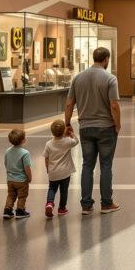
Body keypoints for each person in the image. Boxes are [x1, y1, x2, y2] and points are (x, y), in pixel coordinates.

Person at [64, 46, 121, 215]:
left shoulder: (77, 78)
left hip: (85, 128)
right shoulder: (110, 78)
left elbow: (69, 104)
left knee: (87, 165)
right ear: (106, 59)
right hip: (106, 128)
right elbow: (114, 105)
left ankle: (86, 205)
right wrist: (117, 125)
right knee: (106, 166)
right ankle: (106, 203)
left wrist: (67, 123)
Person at [43, 118, 79, 218]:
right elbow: (76, 141)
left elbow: (46, 158)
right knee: (64, 191)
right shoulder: (68, 141)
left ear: (52, 132)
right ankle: (62, 208)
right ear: (64, 131)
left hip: (53, 172)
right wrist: (71, 133)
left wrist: (47, 168)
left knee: (52, 189)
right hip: (65, 172)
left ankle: (49, 203)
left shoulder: (48, 144)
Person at [3, 128, 32, 219]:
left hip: (10, 179)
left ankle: (7, 210)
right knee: (22, 196)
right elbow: (27, 168)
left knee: (11, 195)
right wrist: (29, 177)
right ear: (23, 140)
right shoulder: (25, 153)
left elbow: (6, 164)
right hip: (21, 180)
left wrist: (10, 173)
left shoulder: (7, 151)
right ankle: (20, 211)